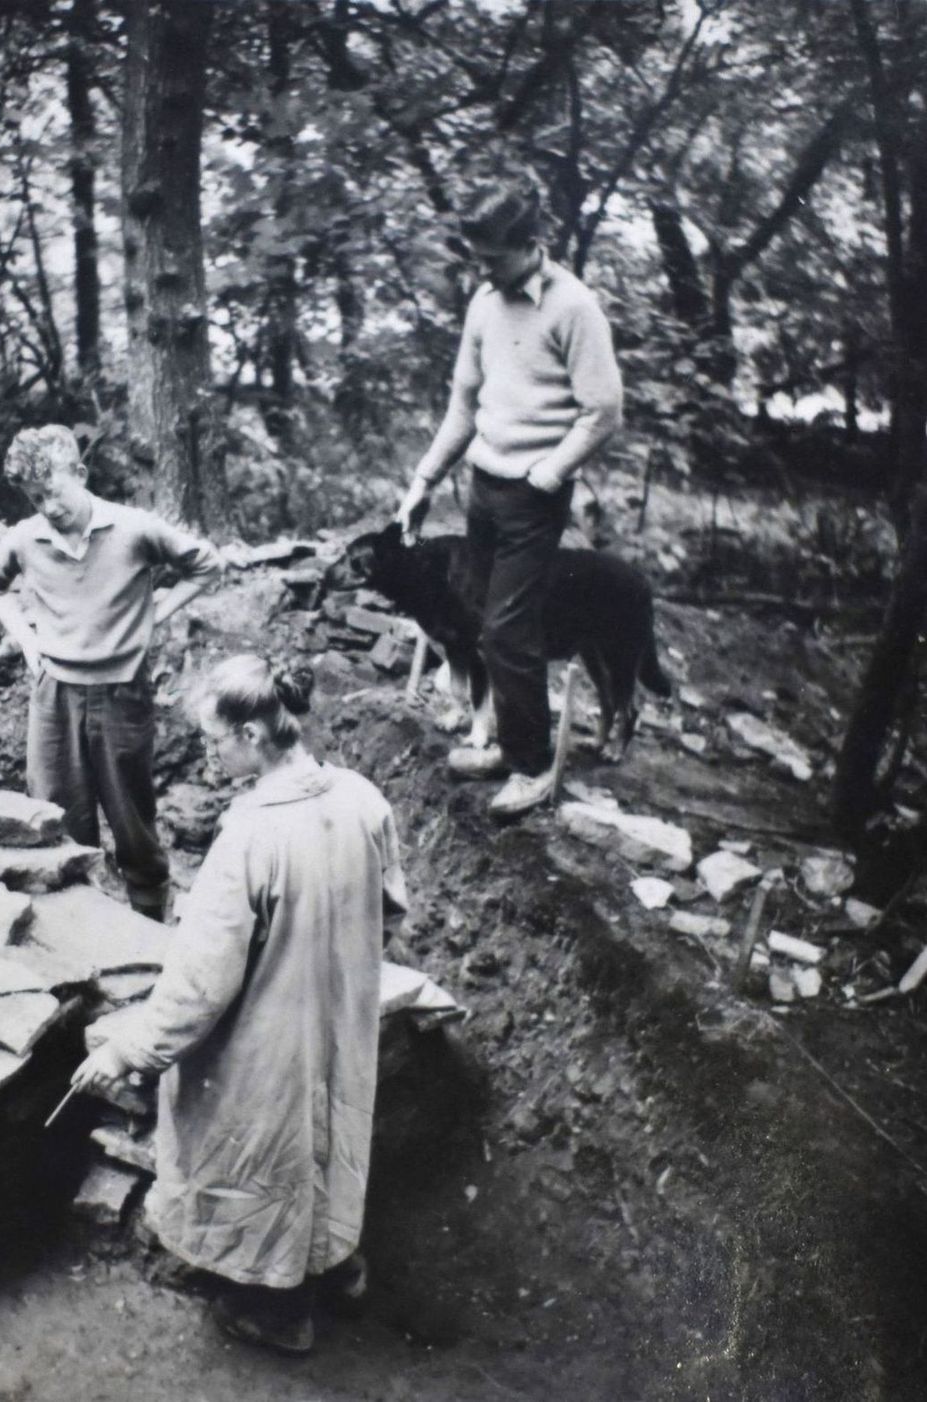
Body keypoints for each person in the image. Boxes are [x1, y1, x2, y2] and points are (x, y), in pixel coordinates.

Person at [71, 654, 408, 1356]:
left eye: (212, 738)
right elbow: (389, 909)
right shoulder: (360, 797)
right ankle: (341, 1268)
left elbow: (199, 985)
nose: (206, 751)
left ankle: (278, 1311)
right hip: (339, 1018)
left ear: (252, 734)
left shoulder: (249, 836)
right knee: (329, 1141)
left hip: (268, 1039)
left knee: (263, 1157)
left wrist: (128, 1051)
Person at [396, 179, 624, 817]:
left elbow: (604, 411)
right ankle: (499, 741)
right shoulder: (483, 303)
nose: (482, 270)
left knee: (507, 629)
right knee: (478, 617)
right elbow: (463, 406)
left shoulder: (574, 309)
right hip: (483, 486)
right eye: (475, 258)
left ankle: (531, 769)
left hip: (534, 494)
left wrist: (550, 473)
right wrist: (424, 482)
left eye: (492, 257)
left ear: (531, 245)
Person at [0, 425, 221, 920]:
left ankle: (150, 925)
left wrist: (156, 614)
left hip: (121, 694)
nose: (47, 506)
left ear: (80, 474)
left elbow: (207, 565)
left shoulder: (133, 529)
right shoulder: (26, 538)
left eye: (54, 492)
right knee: (56, 814)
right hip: (54, 698)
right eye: (34, 497)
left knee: (132, 818)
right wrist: (25, 639)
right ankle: (75, 925)